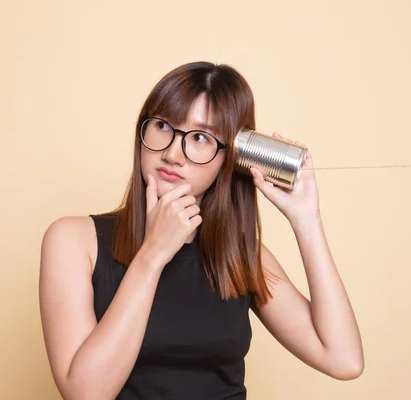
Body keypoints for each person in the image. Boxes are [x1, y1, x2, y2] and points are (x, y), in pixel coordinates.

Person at [39, 61, 364, 400]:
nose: (172, 153)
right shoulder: (73, 240)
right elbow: (86, 394)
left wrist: (306, 218)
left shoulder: (240, 256)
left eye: (199, 137)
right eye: (163, 126)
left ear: (230, 158)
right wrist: (152, 256)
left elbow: (343, 360)